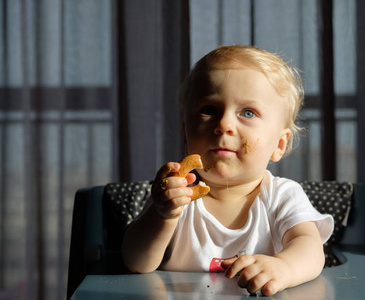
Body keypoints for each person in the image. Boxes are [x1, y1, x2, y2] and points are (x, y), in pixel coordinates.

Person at [121, 45, 333, 296]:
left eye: (248, 112)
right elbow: (137, 263)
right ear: (185, 133)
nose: (224, 124)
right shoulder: (177, 195)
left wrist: (284, 267)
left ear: (279, 145)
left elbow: (309, 248)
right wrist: (161, 214)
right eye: (209, 110)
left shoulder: (282, 196)